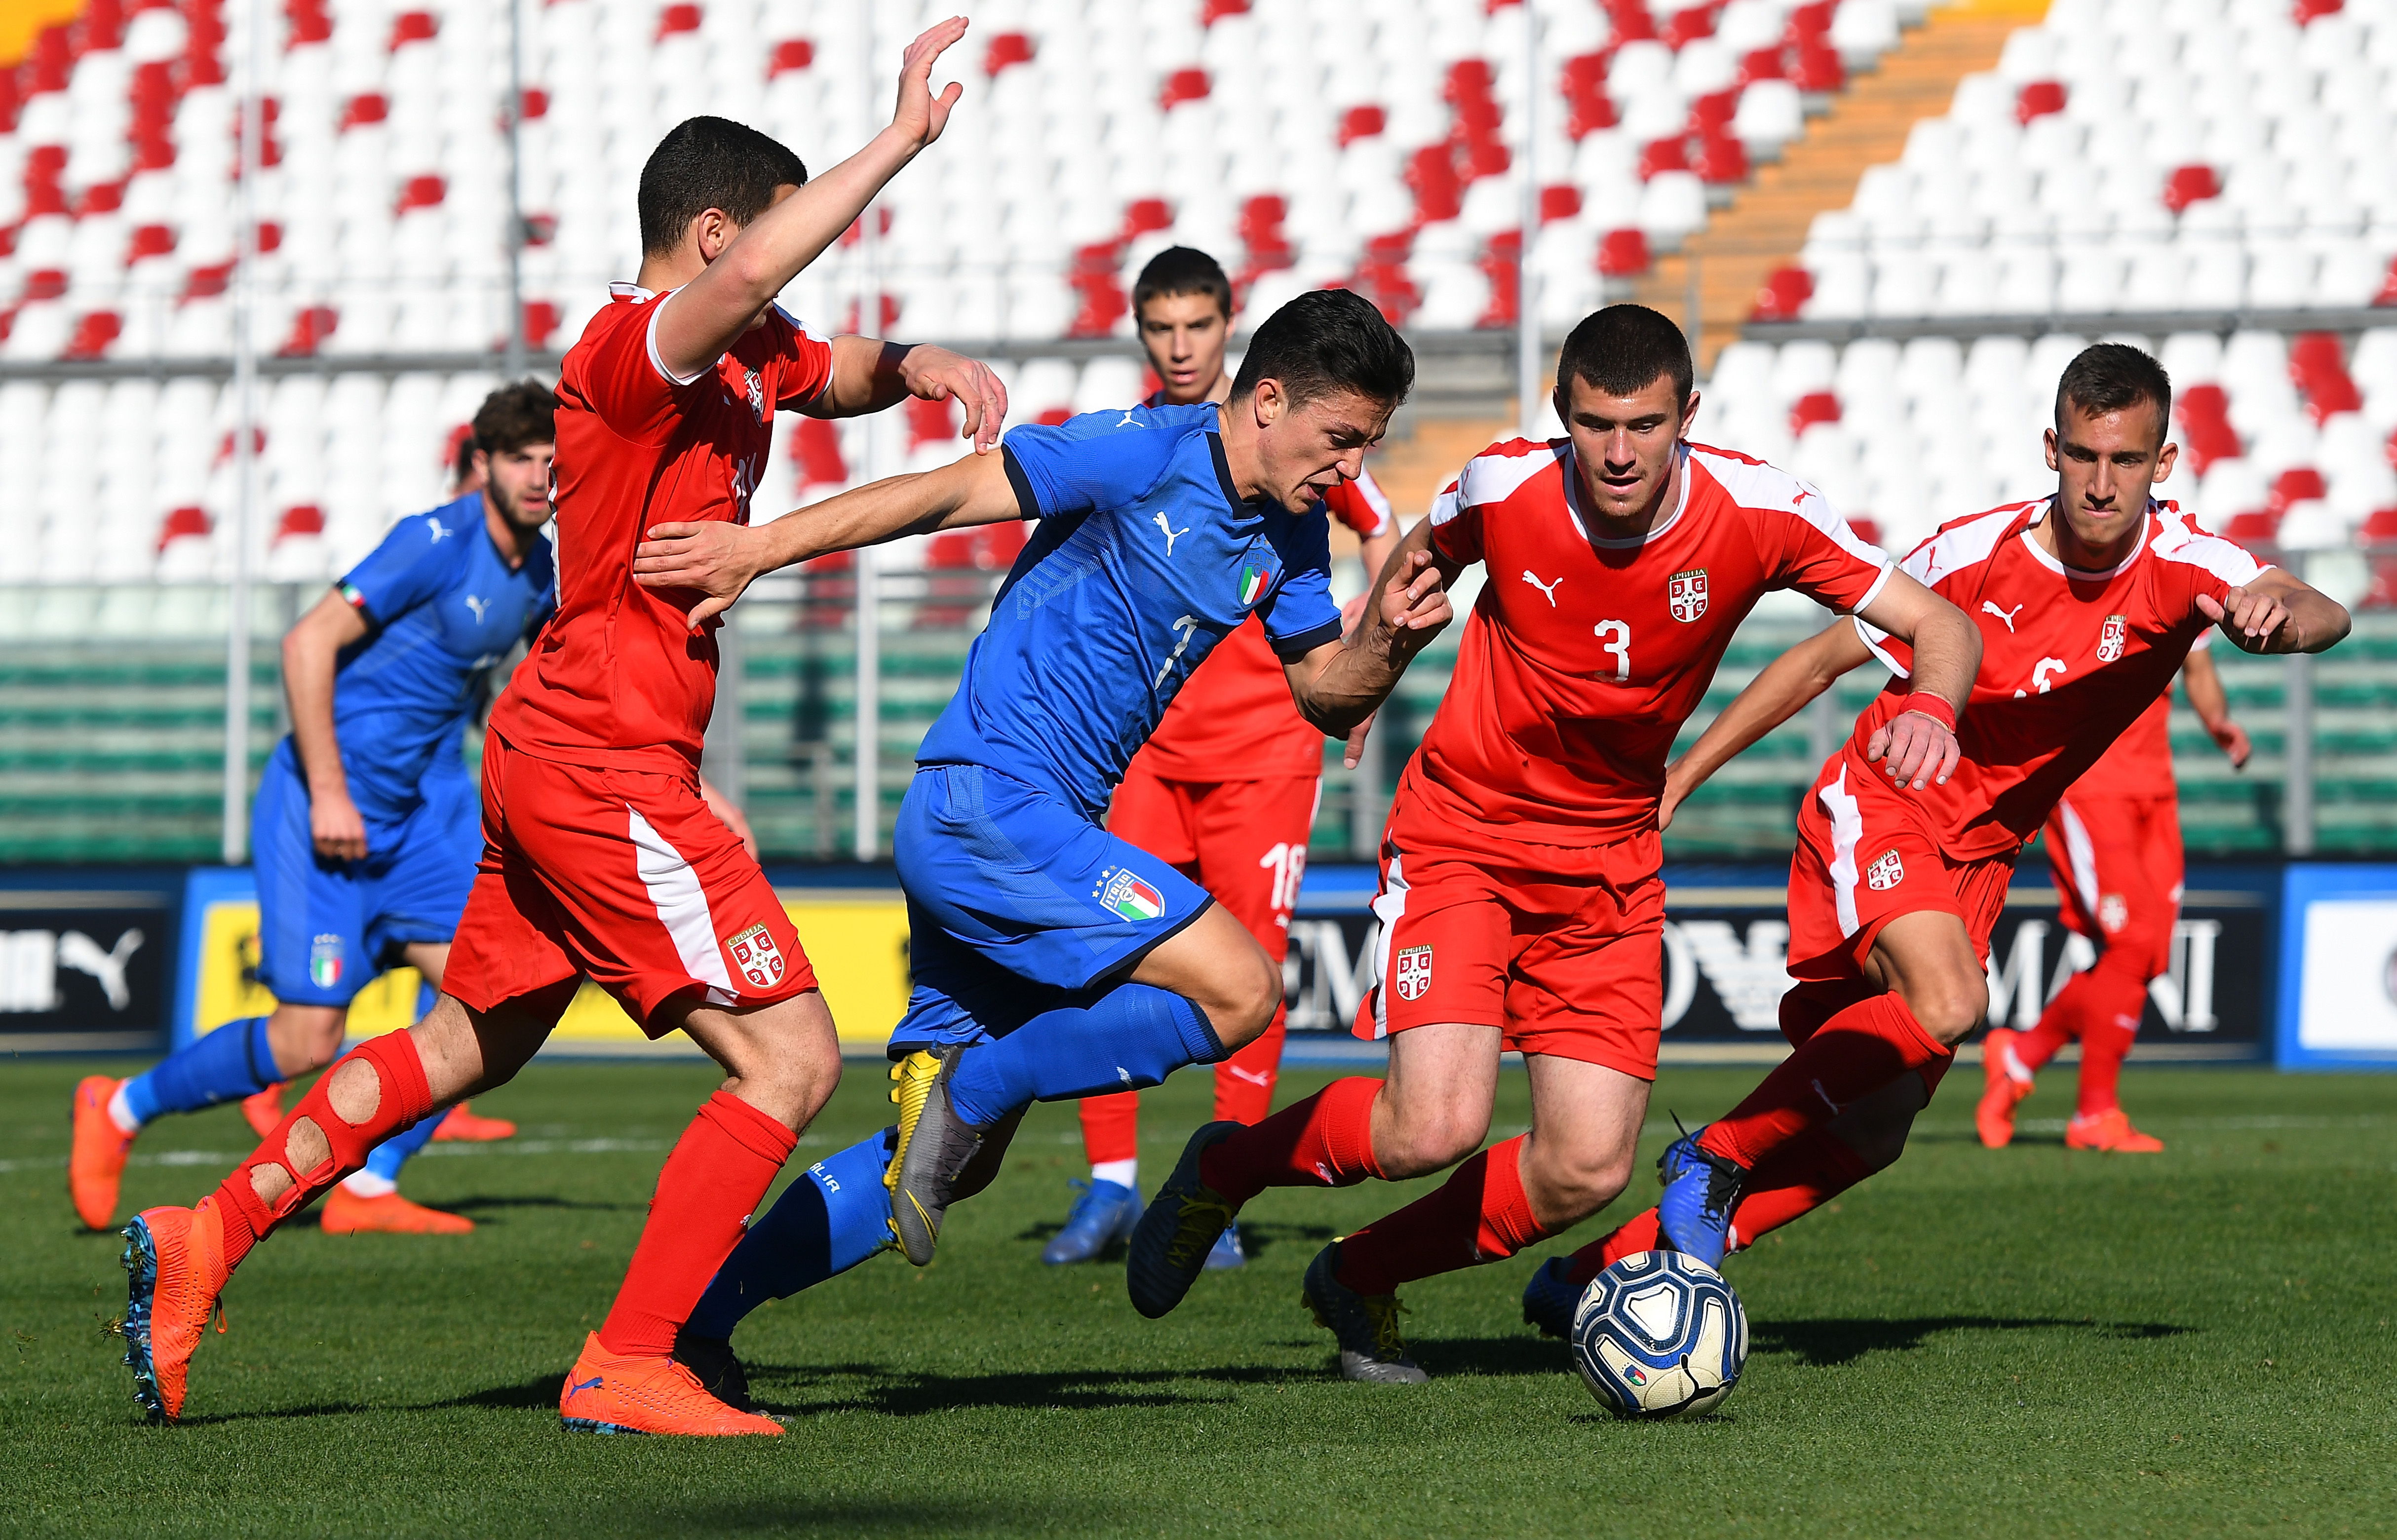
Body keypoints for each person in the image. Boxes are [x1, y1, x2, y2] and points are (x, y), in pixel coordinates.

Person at [114, 24, 1008, 1436]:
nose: (779, 277)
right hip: (603, 759)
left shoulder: (743, 353)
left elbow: (824, 363)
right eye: (766, 242)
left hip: (563, 747)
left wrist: (917, 362)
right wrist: (899, 142)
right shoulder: (624, 355)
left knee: (464, 1041)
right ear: (712, 234)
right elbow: (754, 287)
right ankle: (630, 1358)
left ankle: (208, 1230)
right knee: (792, 1058)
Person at [1122, 303, 1980, 1383]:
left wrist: (1931, 706)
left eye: (1644, 425)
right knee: (1430, 1128)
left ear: (1687, 417)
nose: (1617, 452)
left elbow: (1943, 624)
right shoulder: (1503, 487)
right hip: (1464, 835)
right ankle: (1228, 1166)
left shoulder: (1763, 512)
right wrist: (1369, 661)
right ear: (1561, 414)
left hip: (1611, 865)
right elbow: (1416, 559)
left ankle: (1359, 1274)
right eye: (1593, 424)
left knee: (1585, 1169)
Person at [1524, 344, 2349, 1333]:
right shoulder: (1969, 556)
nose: (2101, 482)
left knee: (1875, 1132)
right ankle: (1712, 1157)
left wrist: (2279, 619)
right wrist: (1682, 778)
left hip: (1981, 860)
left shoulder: (2186, 563)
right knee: (1951, 999)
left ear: (2162, 463)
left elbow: (2322, 608)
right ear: (2051, 447)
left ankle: (1593, 1273)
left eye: (2126, 460)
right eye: (2084, 455)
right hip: (1885, 804)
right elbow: (1818, 660)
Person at [70, 383, 562, 1238]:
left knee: (498, 1001)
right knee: (306, 1042)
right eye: (520, 459)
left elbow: (559, 690)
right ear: (483, 463)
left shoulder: (540, 570)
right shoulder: (433, 542)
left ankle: (369, 1190)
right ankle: (119, 1107)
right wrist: (330, 791)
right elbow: (307, 641)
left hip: (409, 825)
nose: (537, 478)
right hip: (318, 810)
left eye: (552, 463)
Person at [1047, 246, 1403, 1270]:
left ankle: (1220, 1193)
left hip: (1265, 753)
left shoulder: (1300, 447)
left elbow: (1383, 534)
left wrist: (1364, 662)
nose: (1180, 345)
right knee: (1107, 953)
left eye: (1197, 325)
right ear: (1140, 334)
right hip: (1145, 755)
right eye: (1161, 328)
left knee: (1251, 968)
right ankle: (1110, 1182)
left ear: (1227, 328)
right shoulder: (1138, 445)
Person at [1977, 638, 2249, 1152]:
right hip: (2090, 786)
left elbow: (2196, 663)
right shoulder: (2074, 590)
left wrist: (2217, 722)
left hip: (2155, 791)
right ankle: (2094, 1113)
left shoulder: (2176, 588)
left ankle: (2018, 1058)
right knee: (2133, 942)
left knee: (2148, 956)